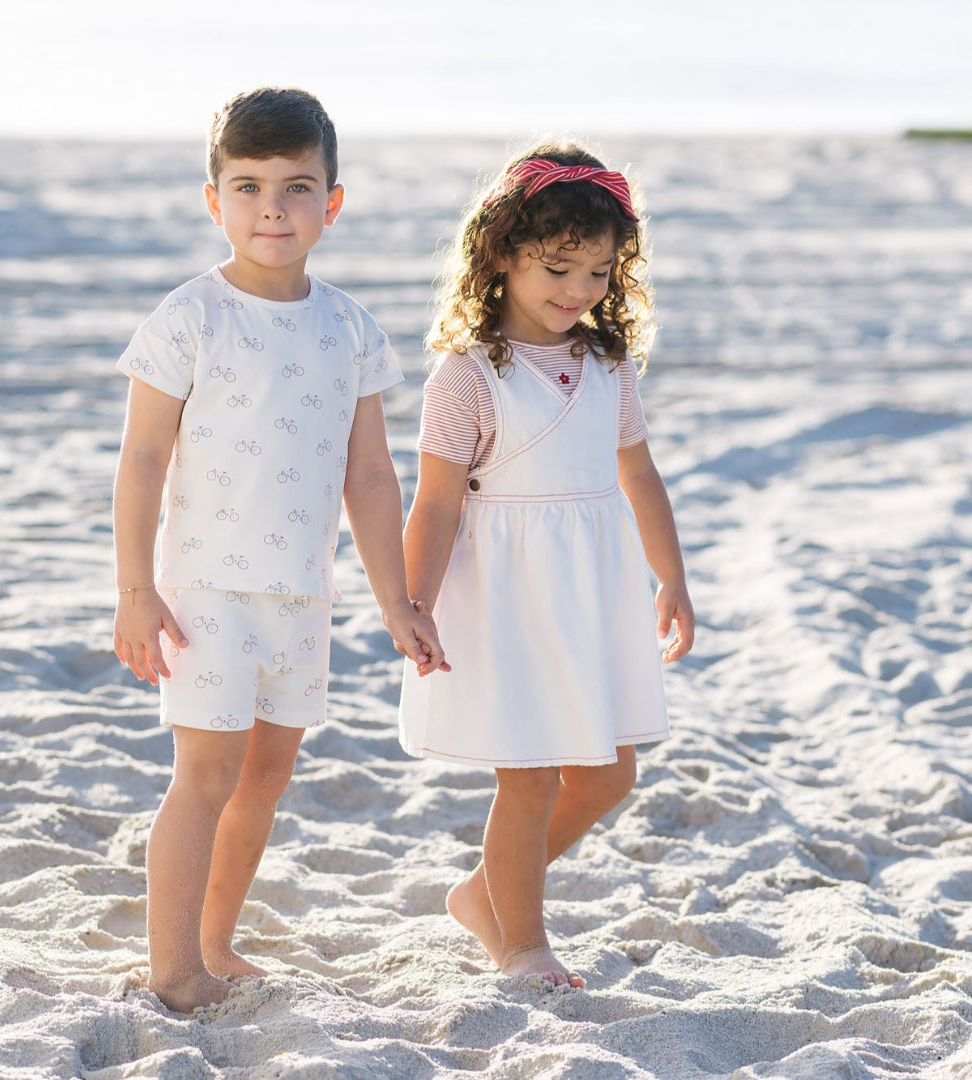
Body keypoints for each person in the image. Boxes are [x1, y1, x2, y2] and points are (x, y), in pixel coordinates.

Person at [112, 87, 446, 1013]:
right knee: (205, 775)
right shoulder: (189, 318)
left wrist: (395, 598)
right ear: (213, 198)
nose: (272, 207)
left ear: (332, 202)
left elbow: (372, 477)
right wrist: (134, 588)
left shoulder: (349, 327)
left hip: (303, 593)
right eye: (248, 185)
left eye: (298, 186)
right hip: (206, 589)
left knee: (264, 777)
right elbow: (142, 459)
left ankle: (215, 944)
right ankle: (173, 969)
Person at [398, 144, 694, 988]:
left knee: (608, 774)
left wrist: (670, 577)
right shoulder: (467, 376)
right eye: (558, 267)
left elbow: (639, 476)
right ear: (501, 255)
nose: (578, 290)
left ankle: (485, 892)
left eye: (599, 272)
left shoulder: (608, 365)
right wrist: (413, 602)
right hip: (505, 598)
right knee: (526, 780)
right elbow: (437, 503)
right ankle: (522, 944)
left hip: (591, 593)